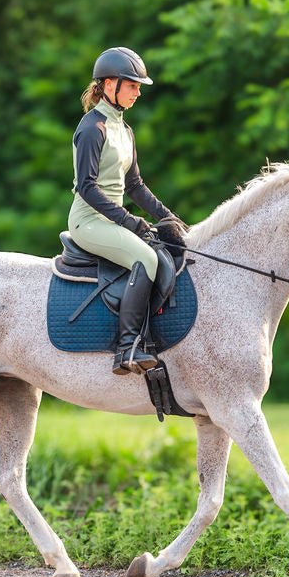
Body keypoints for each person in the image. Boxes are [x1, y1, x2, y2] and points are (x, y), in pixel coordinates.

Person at [68, 46, 187, 376]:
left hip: (112, 220)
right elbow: (88, 187)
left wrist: (168, 217)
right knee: (145, 259)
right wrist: (129, 220)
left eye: (137, 86)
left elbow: (135, 185)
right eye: (132, 85)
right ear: (109, 85)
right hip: (89, 221)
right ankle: (127, 347)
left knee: (165, 252)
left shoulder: (124, 130)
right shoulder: (93, 129)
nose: (137, 92)